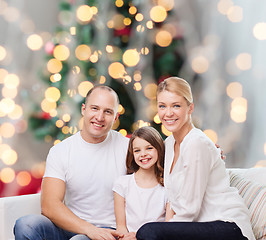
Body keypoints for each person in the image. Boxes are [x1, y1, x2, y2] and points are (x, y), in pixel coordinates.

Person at [136, 77, 255, 240]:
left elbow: (189, 210)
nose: (168, 113)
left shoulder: (196, 143)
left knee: (148, 232)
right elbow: (172, 200)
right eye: (162, 106)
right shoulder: (169, 144)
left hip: (228, 226)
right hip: (198, 226)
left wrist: (161, 233)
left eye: (176, 106)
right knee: (149, 232)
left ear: (190, 108)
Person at [14, 85, 130, 240]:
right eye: (94, 108)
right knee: (26, 224)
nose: (100, 117)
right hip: (72, 226)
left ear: (115, 117)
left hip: (110, 232)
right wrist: (89, 229)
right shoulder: (61, 151)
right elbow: (49, 206)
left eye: (108, 112)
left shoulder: (128, 148)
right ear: (84, 109)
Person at [113, 126, 171, 240]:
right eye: (137, 150)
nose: (143, 154)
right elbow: (121, 228)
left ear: (159, 149)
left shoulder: (167, 187)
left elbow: (168, 229)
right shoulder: (122, 184)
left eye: (149, 148)